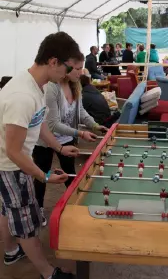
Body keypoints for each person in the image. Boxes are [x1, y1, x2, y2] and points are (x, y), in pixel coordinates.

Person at [0, 32, 81, 279]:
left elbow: (40, 122)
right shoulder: (21, 96)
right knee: (25, 222)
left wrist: (58, 148)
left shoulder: (38, 85)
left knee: (7, 209)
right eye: (68, 67)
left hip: (14, 163)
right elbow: (13, 152)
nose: (68, 74)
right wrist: (43, 176)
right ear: (53, 61)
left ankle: (11, 250)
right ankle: (49, 273)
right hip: (11, 166)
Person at [33, 54, 108, 227]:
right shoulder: (52, 88)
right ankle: (38, 211)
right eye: (76, 68)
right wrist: (80, 133)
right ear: (65, 68)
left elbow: (80, 111)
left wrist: (95, 125)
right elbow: (52, 124)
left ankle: (78, 207)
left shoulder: (76, 85)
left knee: (70, 174)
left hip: (67, 138)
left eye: (81, 67)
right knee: (42, 177)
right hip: (45, 140)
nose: (80, 71)